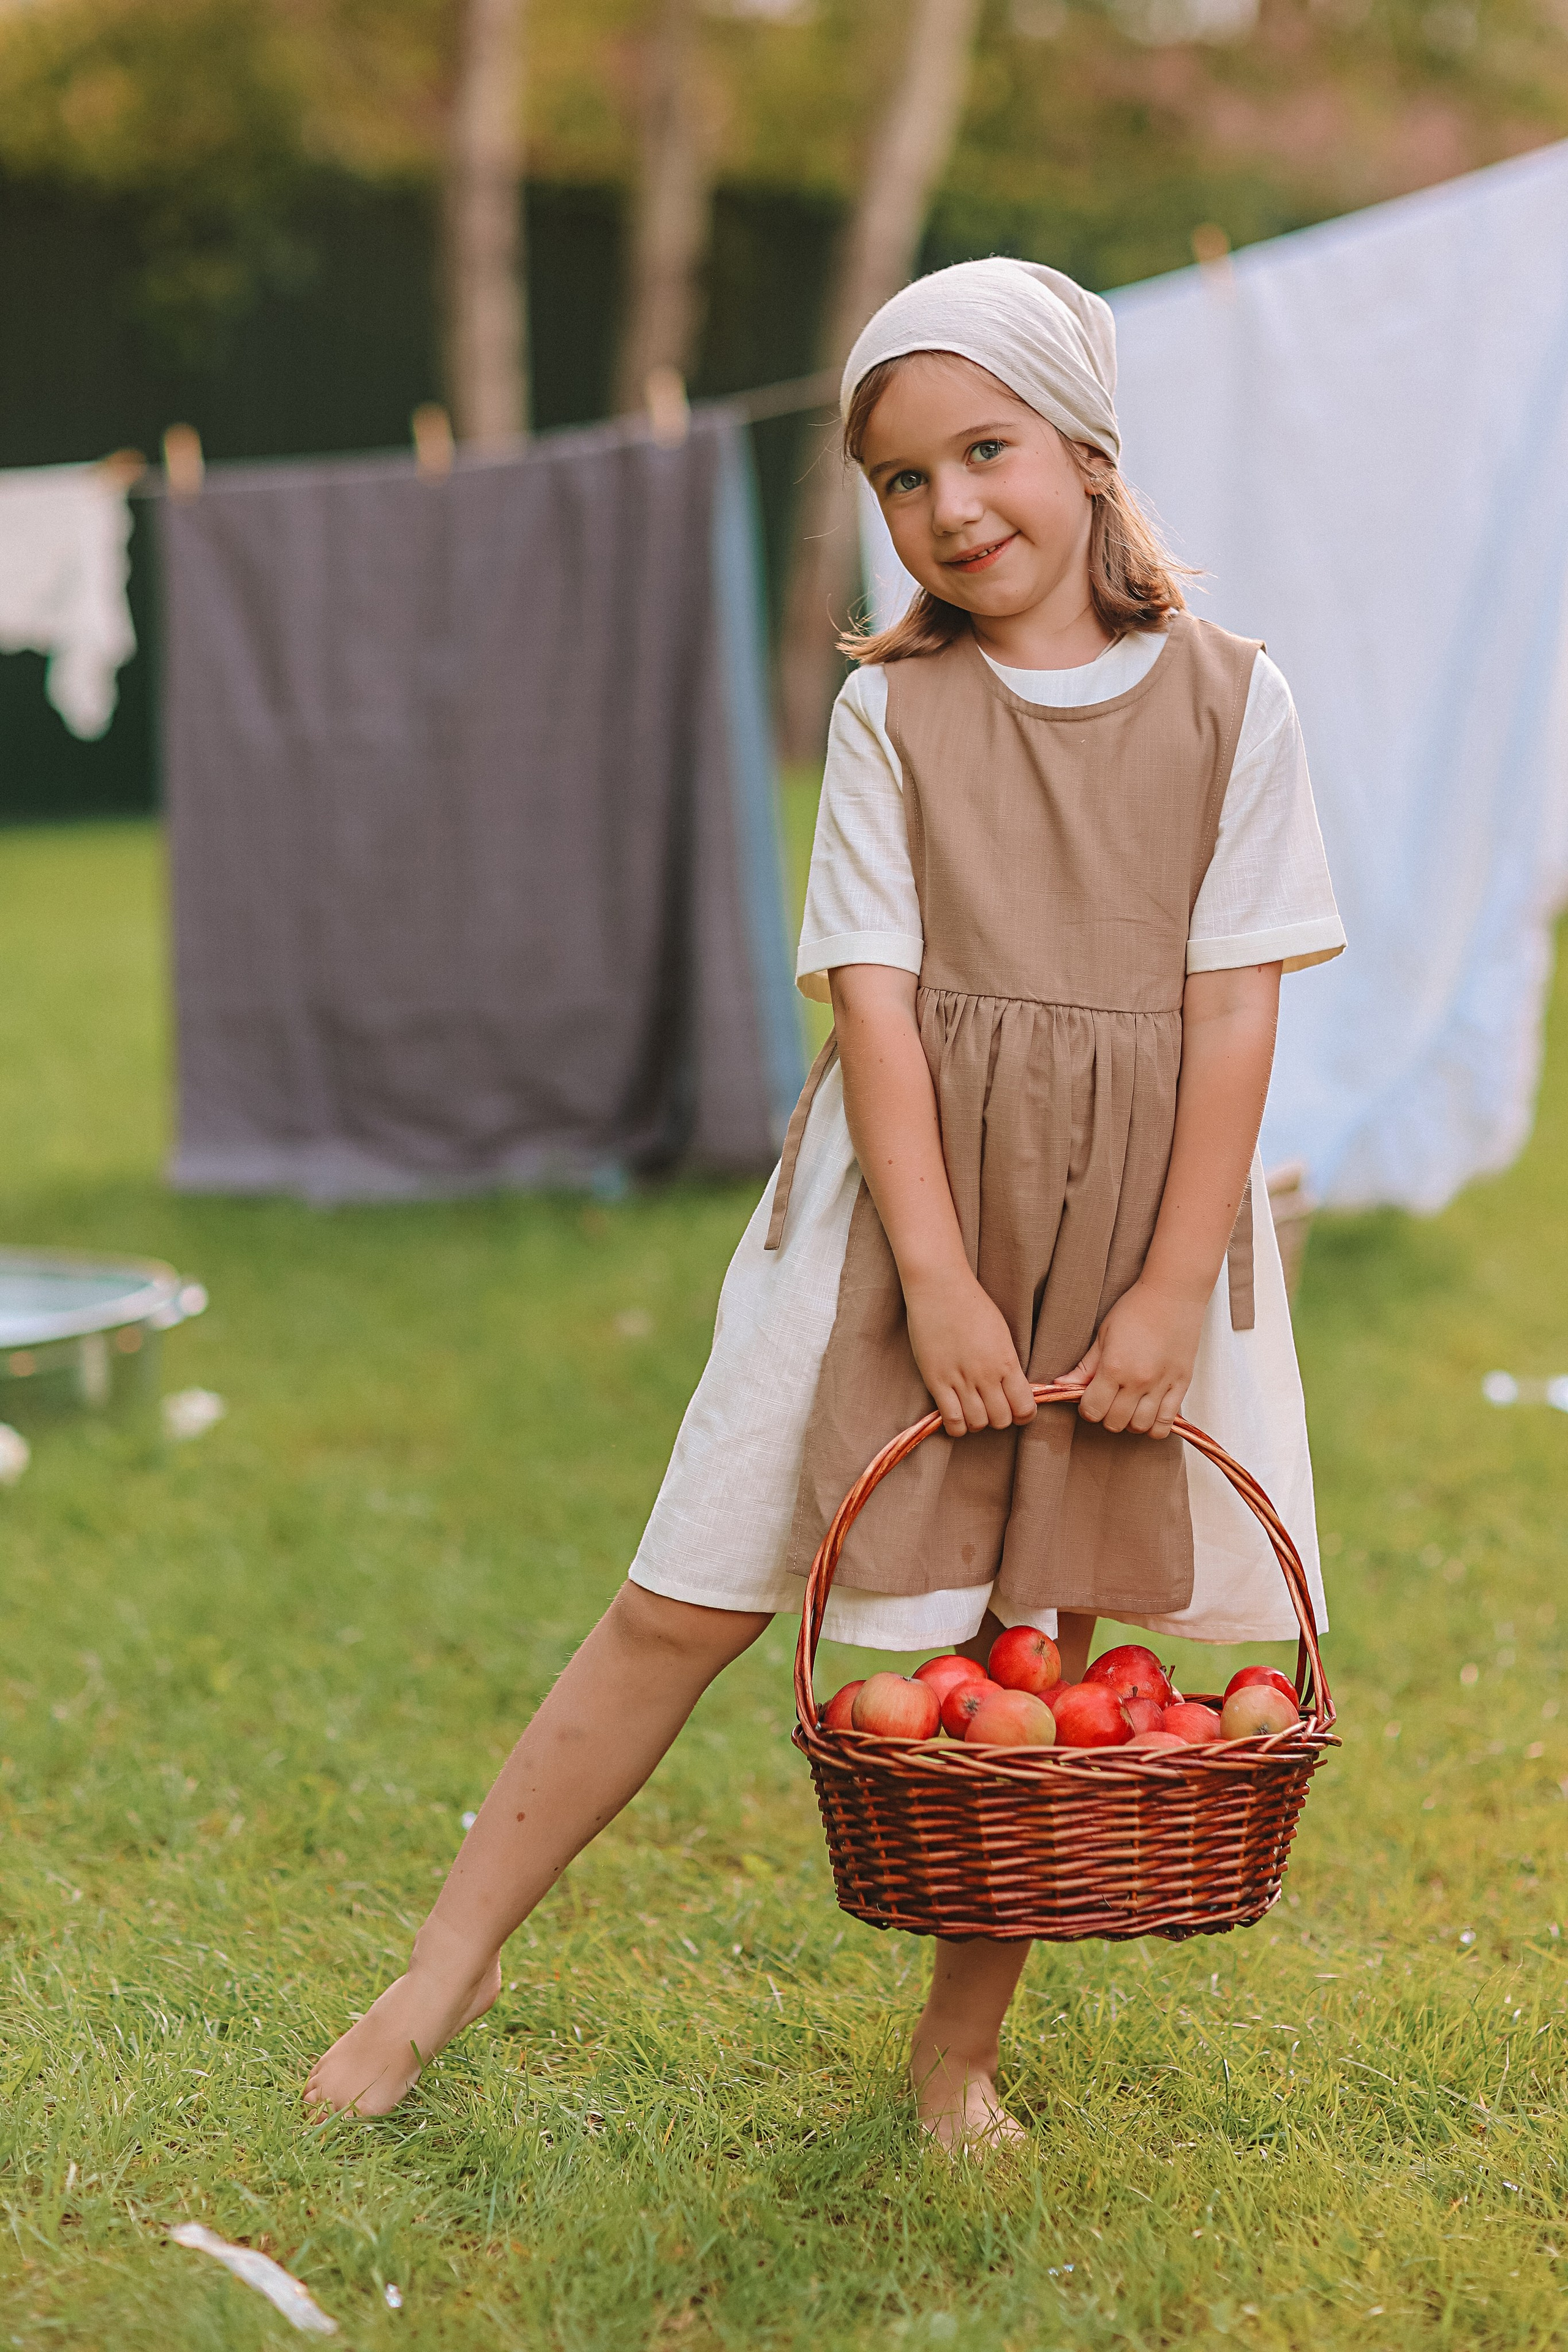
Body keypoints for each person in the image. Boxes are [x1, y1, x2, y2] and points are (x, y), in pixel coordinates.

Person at [305, 259, 1344, 2147]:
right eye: (903, 482)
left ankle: (957, 2063)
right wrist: (935, 1280)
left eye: (987, 452)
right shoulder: (897, 710)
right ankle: (431, 1978)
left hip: (1129, 1236)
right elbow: (875, 998)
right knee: (685, 1591)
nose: (952, 509)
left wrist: (1171, 1287)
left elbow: (1233, 1013)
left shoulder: (1232, 704)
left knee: (1057, 1635)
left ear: (1088, 449)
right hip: (894, 1226)